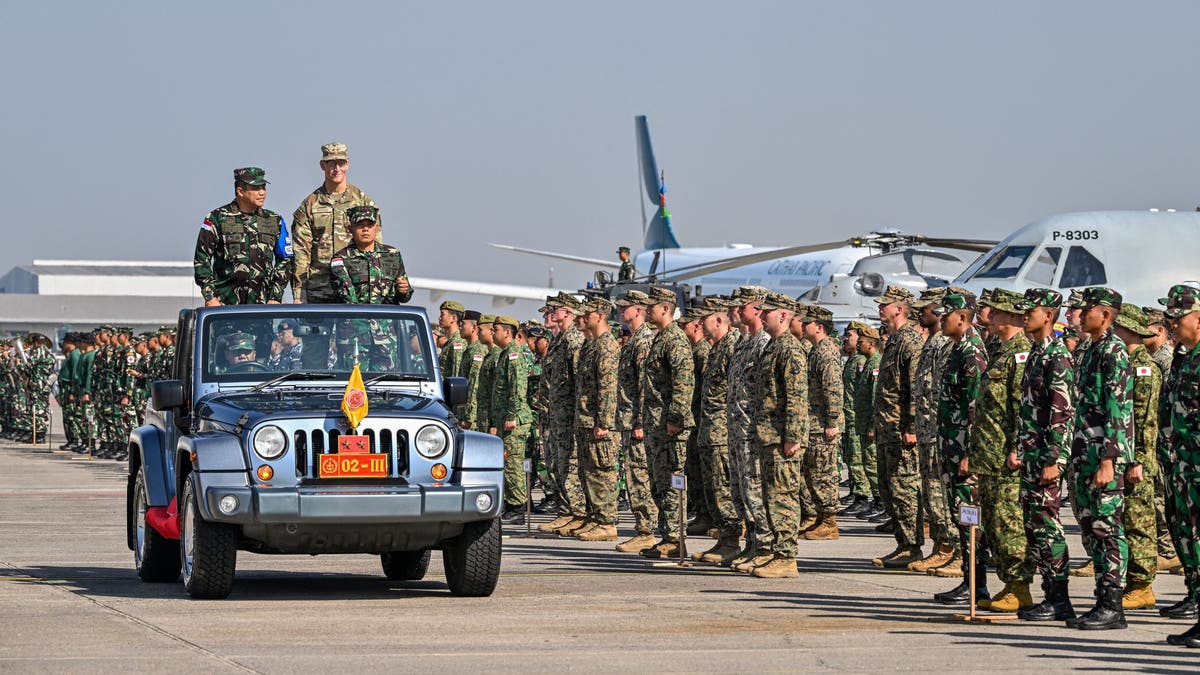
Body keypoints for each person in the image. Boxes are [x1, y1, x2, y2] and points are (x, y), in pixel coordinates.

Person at [1066, 286, 1134, 630]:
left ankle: (1113, 605)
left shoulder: (1113, 352)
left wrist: (1110, 460)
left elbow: (1118, 410)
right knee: (1091, 529)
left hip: (1103, 457)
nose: (1079, 315)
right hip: (1084, 455)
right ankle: (1100, 601)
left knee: (1108, 530)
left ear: (1105, 314)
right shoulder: (1089, 350)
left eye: (1086, 309)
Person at [1014, 288, 1077, 622]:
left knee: (1048, 525)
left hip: (1046, 457)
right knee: (1035, 524)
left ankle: (1060, 598)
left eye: (1031, 311)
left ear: (1049, 315)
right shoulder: (1037, 353)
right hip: (1032, 455)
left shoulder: (1056, 356)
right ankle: (1049, 593)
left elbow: (1061, 411)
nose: (1025, 316)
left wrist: (1054, 459)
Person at [740, 293, 807, 578]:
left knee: (783, 498)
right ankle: (775, 552)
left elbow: (796, 397)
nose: (761, 315)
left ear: (782, 316)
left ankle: (786, 557)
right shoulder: (773, 347)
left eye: (766, 312)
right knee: (770, 497)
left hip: (782, 439)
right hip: (767, 435)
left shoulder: (789, 349)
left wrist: (792, 436)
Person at [932, 293, 991, 605]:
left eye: (946, 315)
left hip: (965, 451)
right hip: (953, 449)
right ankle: (970, 581)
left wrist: (970, 453)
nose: (941, 319)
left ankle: (976, 585)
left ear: (962, 317)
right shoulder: (956, 349)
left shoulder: (971, 352)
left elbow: (975, 408)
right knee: (962, 518)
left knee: (971, 519)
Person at [1111, 303, 1162, 611]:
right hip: (1124, 456)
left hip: (1137, 460)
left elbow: (1146, 421)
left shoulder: (1144, 369)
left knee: (1139, 521)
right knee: (1125, 520)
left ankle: (1143, 585)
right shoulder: (1123, 363)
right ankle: (1132, 581)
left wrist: (1138, 460)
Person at [638, 287, 696, 559]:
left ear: (665, 308)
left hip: (669, 426)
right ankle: (667, 536)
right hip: (656, 424)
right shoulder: (661, 339)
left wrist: (676, 419)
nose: (647, 310)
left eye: (651, 306)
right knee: (660, 483)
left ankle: (675, 538)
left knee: (672, 481)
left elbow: (683, 383)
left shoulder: (675, 340)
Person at [871, 285, 925, 569]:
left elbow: (915, 387)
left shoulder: (909, 341)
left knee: (904, 487)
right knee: (889, 487)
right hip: (887, 427)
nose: (880, 308)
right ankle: (902, 543)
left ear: (900, 309)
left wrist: (912, 425)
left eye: (885, 304)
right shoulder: (893, 340)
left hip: (900, 428)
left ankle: (911, 546)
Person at [1160, 285, 1200, 646]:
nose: (1171, 323)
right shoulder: (1185, 359)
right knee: (1188, 540)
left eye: (1178, 316)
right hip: (1184, 466)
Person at [291, 142, 381, 303]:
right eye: (331, 163)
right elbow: (301, 252)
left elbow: (375, 248)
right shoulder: (310, 205)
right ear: (322, 165)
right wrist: (299, 294)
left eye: (341, 163)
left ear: (347, 164)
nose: (336, 168)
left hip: (355, 287)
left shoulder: (363, 202)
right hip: (319, 288)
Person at [909, 288, 959, 572]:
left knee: (942, 491)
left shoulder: (948, 344)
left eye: (924, 308)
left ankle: (951, 546)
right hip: (928, 429)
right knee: (931, 492)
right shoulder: (932, 342)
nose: (920, 313)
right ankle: (941, 545)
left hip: (941, 431)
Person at [194, 167, 293, 306]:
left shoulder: (274, 220)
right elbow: (201, 258)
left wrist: (275, 296)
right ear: (240, 191)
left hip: (262, 306)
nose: (262, 192)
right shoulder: (217, 218)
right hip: (225, 305)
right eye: (256, 188)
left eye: (263, 187)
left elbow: (286, 259)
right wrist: (210, 296)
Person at [726, 286, 774, 569]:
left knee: (756, 490)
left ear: (756, 309)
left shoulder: (764, 343)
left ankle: (766, 547)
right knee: (742, 491)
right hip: (737, 429)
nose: (735, 311)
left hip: (752, 431)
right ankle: (753, 544)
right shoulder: (745, 343)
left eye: (740, 306)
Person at [692, 297, 742, 564]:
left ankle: (732, 540)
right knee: (713, 488)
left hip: (722, 433)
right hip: (710, 431)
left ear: (719, 320)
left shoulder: (731, 347)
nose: (700, 324)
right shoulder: (717, 348)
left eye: (705, 319)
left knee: (724, 488)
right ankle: (723, 538)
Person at [537, 293, 589, 536]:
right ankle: (566, 510)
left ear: (568, 313)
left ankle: (577, 512)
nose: (547, 315)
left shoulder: (574, 340)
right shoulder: (558, 341)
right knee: (557, 464)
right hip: (555, 414)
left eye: (553, 311)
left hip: (568, 415)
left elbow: (579, 381)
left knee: (569, 463)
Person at [613, 290, 660, 552]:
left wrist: (641, 421)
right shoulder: (634, 340)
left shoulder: (642, 342)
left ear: (639, 310)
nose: (621, 311)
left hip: (637, 421)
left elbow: (645, 385)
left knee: (639, 475)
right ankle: (644, 527)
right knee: (634, 475)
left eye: (626, 307)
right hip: (629, 420)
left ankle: (647, 529)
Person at [572, 297, 621, 541]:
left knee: (602, 472)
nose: (581, 318)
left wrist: (604, 422)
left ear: (600, 315)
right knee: (589, 472)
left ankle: (607, 522)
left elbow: (608, 388)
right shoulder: (591, 345)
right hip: (586, 419)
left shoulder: (606, 346)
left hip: (597, 422)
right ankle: (595, 516)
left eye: (587, 313)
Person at [799, 305, 843, 541]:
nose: (803, 326)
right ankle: (819, 517)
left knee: (823, 474)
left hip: (823, 424)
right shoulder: (816, 350)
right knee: (813, 473)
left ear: (819, 326)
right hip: (814, 422)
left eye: (807, 323)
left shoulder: (825, 351)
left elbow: (832, 388)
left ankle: (829, 522)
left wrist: (832, 421)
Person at [490, 316, 532, 523]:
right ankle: (511, 504)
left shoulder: (514, 355)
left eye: (496, 329)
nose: (492, 332)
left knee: (514, 464)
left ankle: (518, 508)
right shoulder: (505, 354)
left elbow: (517, 388)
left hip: (514, 419)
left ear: (507, 332)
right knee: (507, 462)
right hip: (504, 418)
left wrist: (512, 415)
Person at [330, 205, 412, 305]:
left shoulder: (393, 255)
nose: (365, 229)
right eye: (360, 224)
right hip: (355, 318)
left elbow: (404, 297)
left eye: (370, 225)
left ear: (376, 228)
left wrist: (404, 291)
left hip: (388, 319)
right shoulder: (340, 259)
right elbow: (347, 299)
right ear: (350, 228)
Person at [437, 301, 468, 378]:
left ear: (453, 318)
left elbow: (456, 374)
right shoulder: (450, 342)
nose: (439, 317)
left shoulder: (458, 343)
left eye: (442, 314)